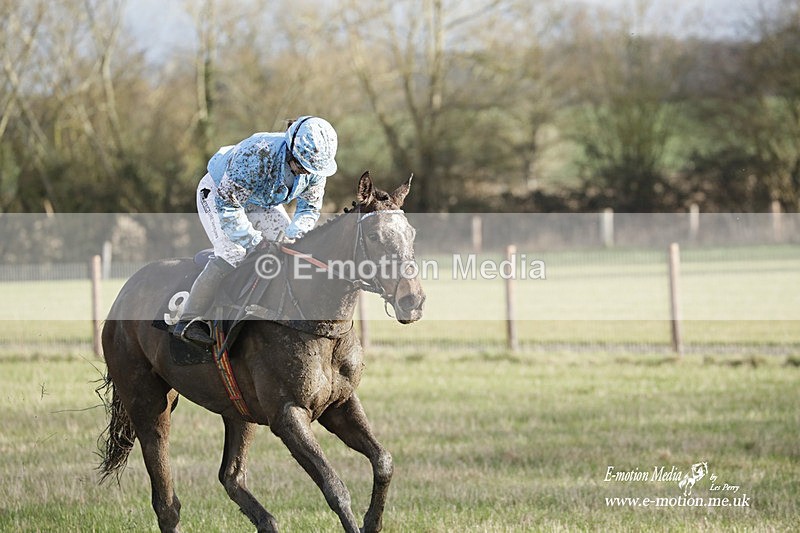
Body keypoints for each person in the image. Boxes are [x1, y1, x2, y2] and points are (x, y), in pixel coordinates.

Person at [173, 116, 338, 346]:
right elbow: (228, 206)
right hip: (220, 194)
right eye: (302, 166)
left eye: (311, 169)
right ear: (291, 150)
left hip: (260, 200)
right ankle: (189, 320)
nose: (305, 173)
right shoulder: (257, 155)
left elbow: (308, 209)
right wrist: (255, 242)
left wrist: (294, 237)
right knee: (234, 253)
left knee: (289, 250)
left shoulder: (316, 169)